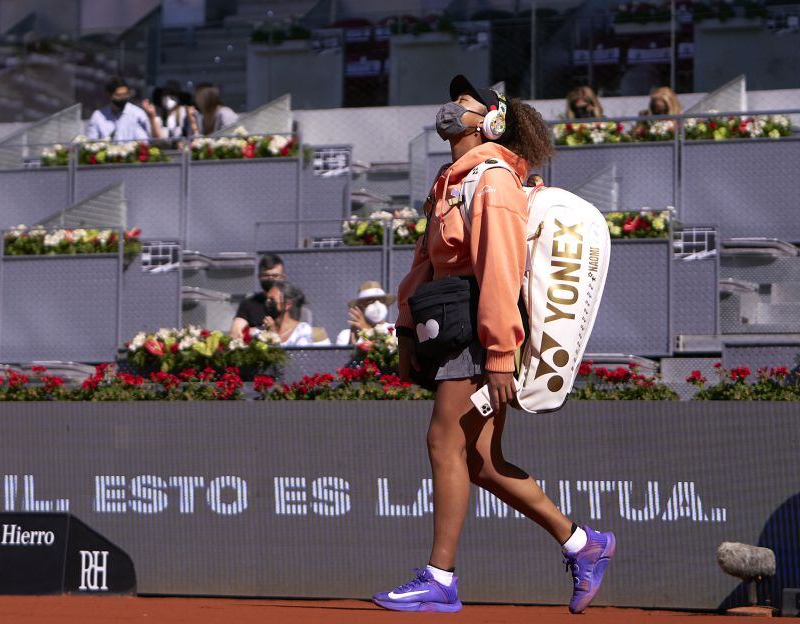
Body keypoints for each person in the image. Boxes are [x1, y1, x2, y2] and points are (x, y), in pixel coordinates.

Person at [373, 75, 616, 615]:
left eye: (464, 102)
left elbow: (501, 273)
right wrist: (406, 331)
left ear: (492, 120)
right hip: (453, 327)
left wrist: (502, 355)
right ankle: (583, 543)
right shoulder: (451, 183)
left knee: (444, 442)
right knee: (481, 461)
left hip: (479, 331)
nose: (451, 107)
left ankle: (440, 578)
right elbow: (423, 265)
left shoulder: (493, 182)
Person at [230, 254, 285, 340]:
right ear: (259, 277)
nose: (270, 279)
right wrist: (257, 332)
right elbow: (235, 333)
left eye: (275, 276)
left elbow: (295, 332)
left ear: (283, 277)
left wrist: (273, 331)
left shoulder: (289, 303)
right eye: (266, 275)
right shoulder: (248, 303)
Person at [260, 281, 327, 346]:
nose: (267, 302)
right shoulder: (262, 332)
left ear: (287, 304)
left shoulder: (302, 331)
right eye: (266, 299)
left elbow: (301, 353)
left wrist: (273, 336)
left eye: (272, 299)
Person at [86, 77, 153, 142]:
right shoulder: (98, 116)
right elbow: (91, 142)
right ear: (109, 95)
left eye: (125, 94)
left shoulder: (138, 114)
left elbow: (147, 141)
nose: (122, 98)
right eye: (118, 95)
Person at [335, 281, 395, 346]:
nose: (377, 304)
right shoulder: (346, 335)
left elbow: (385, 350)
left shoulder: (395, 330)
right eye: (370, 301)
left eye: (381, 300)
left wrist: (366, 330)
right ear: (360, 307)